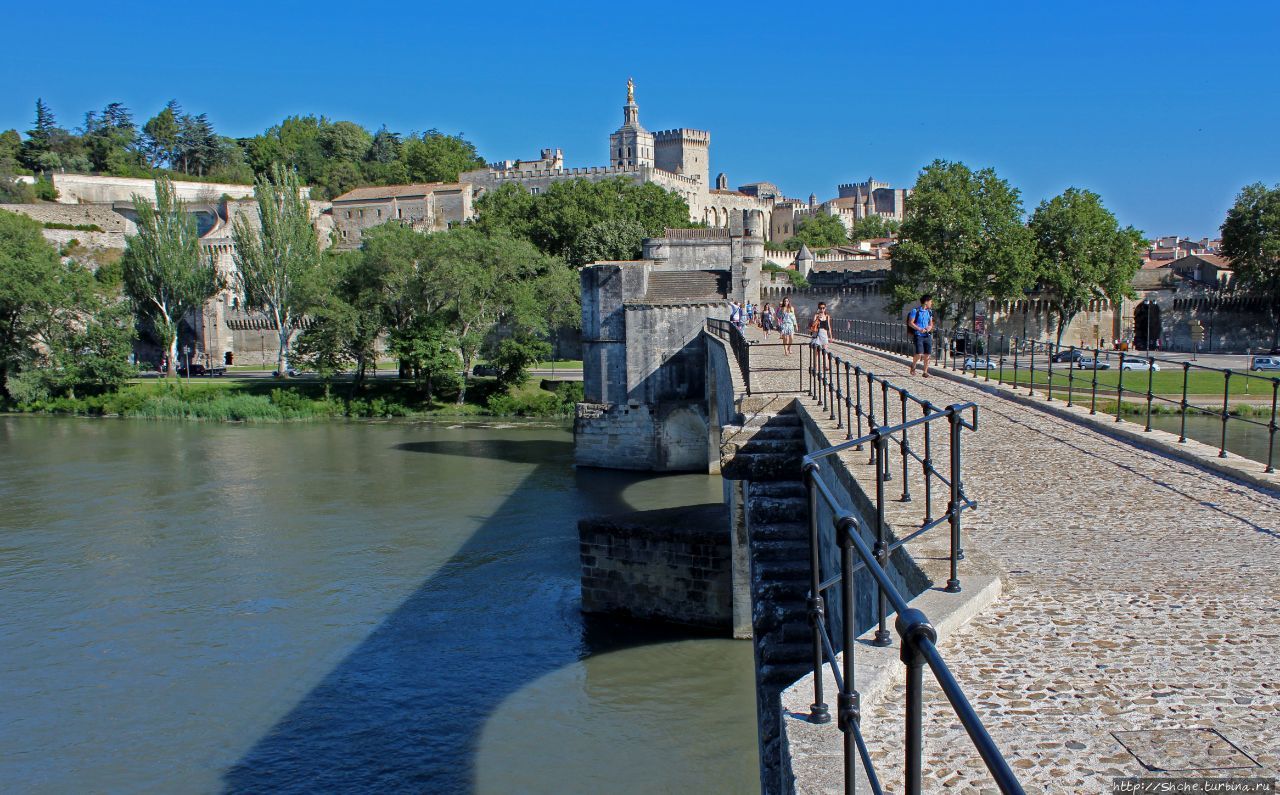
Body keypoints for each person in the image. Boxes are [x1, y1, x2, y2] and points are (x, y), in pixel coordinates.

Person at [907, 294, 935, 377]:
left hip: (927, 335)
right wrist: (919, 329)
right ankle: (913, 365)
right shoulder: (915, 311)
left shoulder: (929, 312)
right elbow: (910, 323)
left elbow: (931, 323)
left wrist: (929, 327)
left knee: (927, 354)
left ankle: (925, 372)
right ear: (926, 302)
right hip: (918, 335)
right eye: (930, 302)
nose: (931, 303)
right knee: (919, 353)